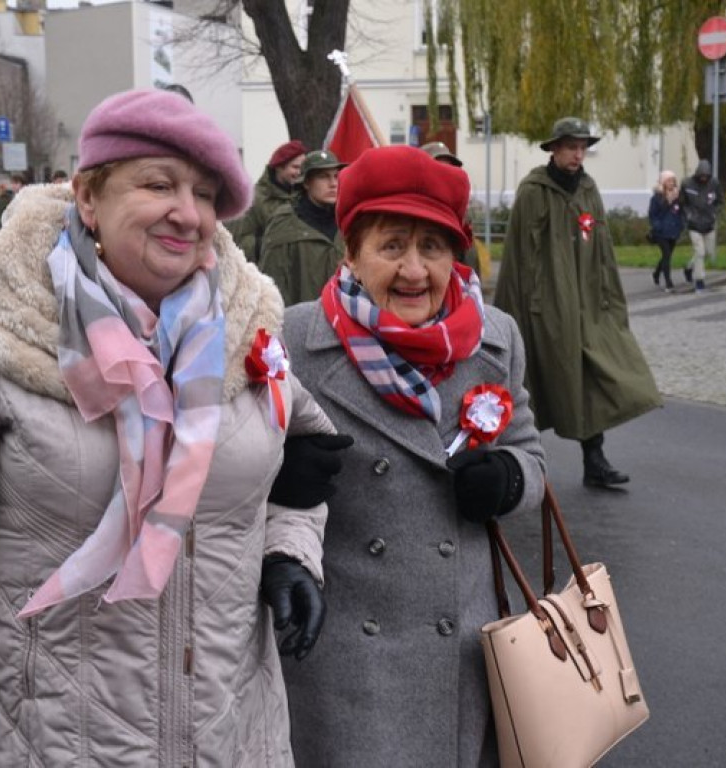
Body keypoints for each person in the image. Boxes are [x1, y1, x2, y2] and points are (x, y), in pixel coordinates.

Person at [0, 88, 349, 766]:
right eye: (158, 184)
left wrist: (289, 549)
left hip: (228, 727)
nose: (188, 214)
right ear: (89, 197)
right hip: (59, 732)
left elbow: (305, 452)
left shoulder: (243, 322)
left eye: (206, 193)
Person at [279, 144, 547, 767]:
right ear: (350, 252)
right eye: (391, 246)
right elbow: (231, 472)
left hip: (463, 649)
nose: (414, 270)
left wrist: (508, 480)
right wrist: (278, 481)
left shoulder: (496, 337)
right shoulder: (293, 339)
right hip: (345, 652)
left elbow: (530, 454)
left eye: (432, 248)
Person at [493, 116, 661, 488]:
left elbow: (602, 248)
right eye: (571, 146)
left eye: (583, 147)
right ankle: (518, 461)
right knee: (538, 381)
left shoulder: (588, 188)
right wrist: (516, 312)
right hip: (545, 309)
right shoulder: (533, 191)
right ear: (554, 148)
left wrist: (610, 299)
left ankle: (595, 460)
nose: (578, 154)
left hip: (586, 304)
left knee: (589, 378)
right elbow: (519, 257)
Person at [260, 149, 346, 306]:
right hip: (300, 321)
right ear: (306, 183)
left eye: (336, 176)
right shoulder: (285, 222)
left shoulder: (348, 220)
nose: (333, 184)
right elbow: (273, 282)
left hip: (345, 321)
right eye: (323, 177)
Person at [226, 139, 307, 263]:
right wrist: (271, 242)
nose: (299, 173)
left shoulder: (304, 197)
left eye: (303, 168)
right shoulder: (254, 199)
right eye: (295, 167)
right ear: (279, 168)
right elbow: (237, 242)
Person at [422, 141, 482, 276]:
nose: (446, 176)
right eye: (439, 169)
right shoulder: (412, 219)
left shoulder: (461, 217)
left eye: (450, 169)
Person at [680, 158, 723, 293]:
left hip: (709, 222)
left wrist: (714, 212)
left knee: (708, 252)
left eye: (706, 176)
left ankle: (689, 267)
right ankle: (699, 281)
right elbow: (683, 202)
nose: (704, 178)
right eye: (702, 176)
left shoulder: (714, 184)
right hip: (694, 223)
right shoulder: (687, 184)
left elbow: (720, 201)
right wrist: (688, 214)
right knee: (700, 251)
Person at [647, 170, 685, 292]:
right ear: (663, 182)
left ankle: (657, 273)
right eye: (669, 181)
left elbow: (680, 212)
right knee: (667, 255)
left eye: (673, 180)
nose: (671, 183)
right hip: (661, 232)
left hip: (673, 230)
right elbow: (653, 215)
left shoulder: (677, 196)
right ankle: (669, 283)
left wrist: (681, 224)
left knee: (666, 255)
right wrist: (658, 226)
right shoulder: (657, 197)